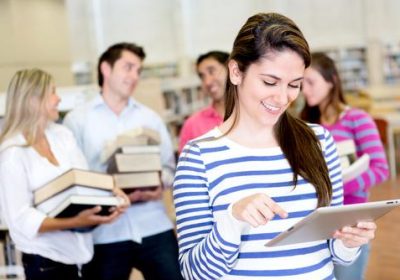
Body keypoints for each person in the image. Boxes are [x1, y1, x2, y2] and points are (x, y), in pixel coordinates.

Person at [173, 12, 377, 279]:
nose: (282, 98)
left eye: (295, 85)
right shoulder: (198, 156)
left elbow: (334, 251)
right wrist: (231, 221)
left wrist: (349, 241)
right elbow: (193, 273)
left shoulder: (320, 142)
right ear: (236, 72)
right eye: (270, 82)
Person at [63, 42, 183, 280]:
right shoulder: (77, 121)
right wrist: (110, 192)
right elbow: (72, 177)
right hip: (106, 232)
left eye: (138, 70)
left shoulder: (151, 118)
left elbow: (170, 168)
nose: (134, 76)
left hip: (154, 225)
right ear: (105, 69)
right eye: (128, 68)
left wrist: (158, 186)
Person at [0, 69, 127, 280]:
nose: (58, 98)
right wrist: (74, 222)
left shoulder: (62, 136)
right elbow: (21, 220)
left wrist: (112, 195)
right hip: (45, 264)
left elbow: (83, 181)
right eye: (52, 92)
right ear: (33, 100)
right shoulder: (12, 154)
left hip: (80, 257)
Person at [300, 52, 389, 279]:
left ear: (331, 81)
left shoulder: (357, 119)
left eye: (310, 82)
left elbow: (380, 168)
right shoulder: (306, 126)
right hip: (314, 220)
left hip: (349, 221)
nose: (304, 90)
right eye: (300, 84)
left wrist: (336, 188)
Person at [178, 50, 229, 152]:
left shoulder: (255, 116)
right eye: (202, 76)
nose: (207, 82)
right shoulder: (192, 125)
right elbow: (186, 166)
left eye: (211, 71)